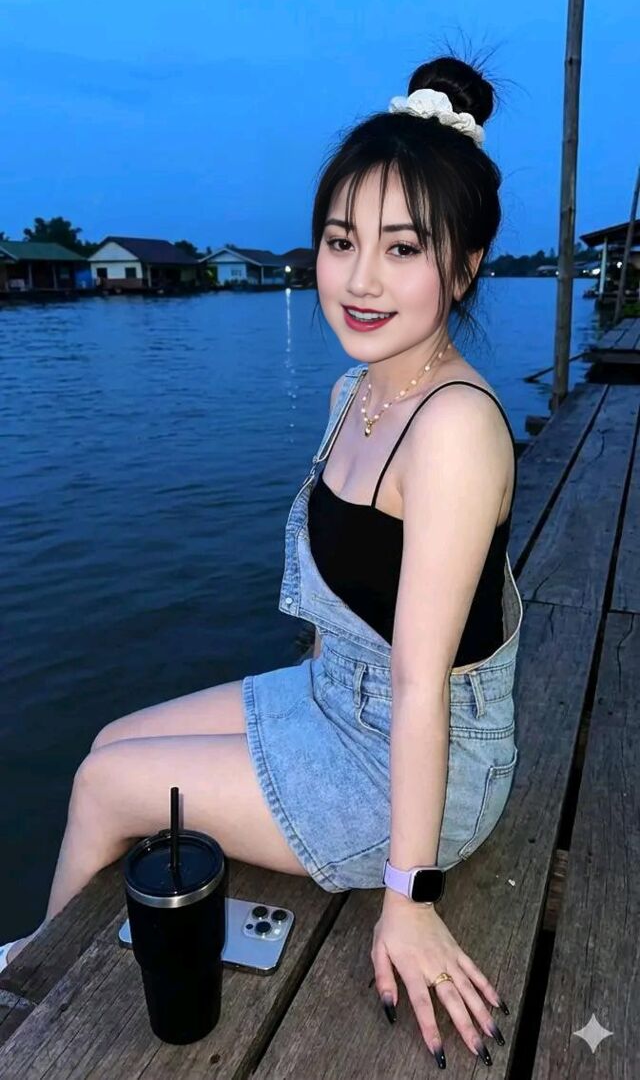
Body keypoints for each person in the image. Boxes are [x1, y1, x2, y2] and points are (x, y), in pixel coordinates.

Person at [1, 53, 521, 1070]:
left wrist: (409, 900)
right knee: (107, 742)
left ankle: (31, 988)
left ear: (463, 269)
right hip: (338, 696)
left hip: (421, 763)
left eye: (403, 248)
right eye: (341, 241)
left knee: (107, 789)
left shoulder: (455, 429)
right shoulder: (355, 391)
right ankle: (51, 951)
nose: (360, 279)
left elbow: (422, 685)